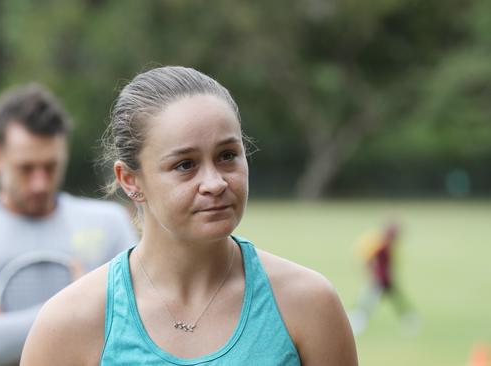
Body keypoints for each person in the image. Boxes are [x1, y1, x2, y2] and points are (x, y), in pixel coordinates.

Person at [21, 66, 358, 365]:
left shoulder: (308, 303)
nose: (214, 182)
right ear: (130, 180)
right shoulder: (69, 323)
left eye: (227, 156)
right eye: (185, 165)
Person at [0, 83, 137, 366]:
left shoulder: (109, 223)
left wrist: (8, 329)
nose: (40, 183)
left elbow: (139, 325)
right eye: (26, 168)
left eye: (50, 167)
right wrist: (86, 304)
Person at [348, 222, 419, 336]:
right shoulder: (381, 246)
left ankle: (409, 318)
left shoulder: (386, 246)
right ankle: (357, 322)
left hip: (384, 280)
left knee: (372, 303)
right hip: (379, 281)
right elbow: (368, 261)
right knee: (368, 303)